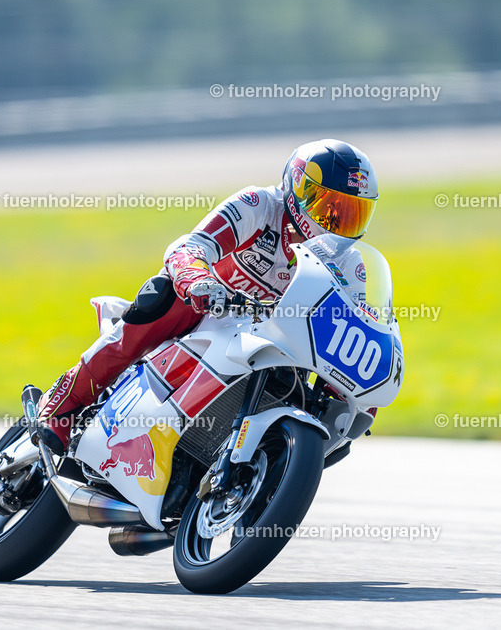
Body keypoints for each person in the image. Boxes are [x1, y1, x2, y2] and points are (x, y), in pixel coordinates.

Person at [33, 138, 379, 454]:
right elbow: (190, 247)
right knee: (162, 296)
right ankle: (63, 404)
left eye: (352, 215)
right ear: (298, 190)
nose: (338, 224)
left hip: (269, 342)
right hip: (206, 311)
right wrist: (197, 280)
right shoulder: (258, 205)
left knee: (329, 421)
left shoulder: (348, 263)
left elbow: (352, 325)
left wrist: (365, 384)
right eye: (331, 208)